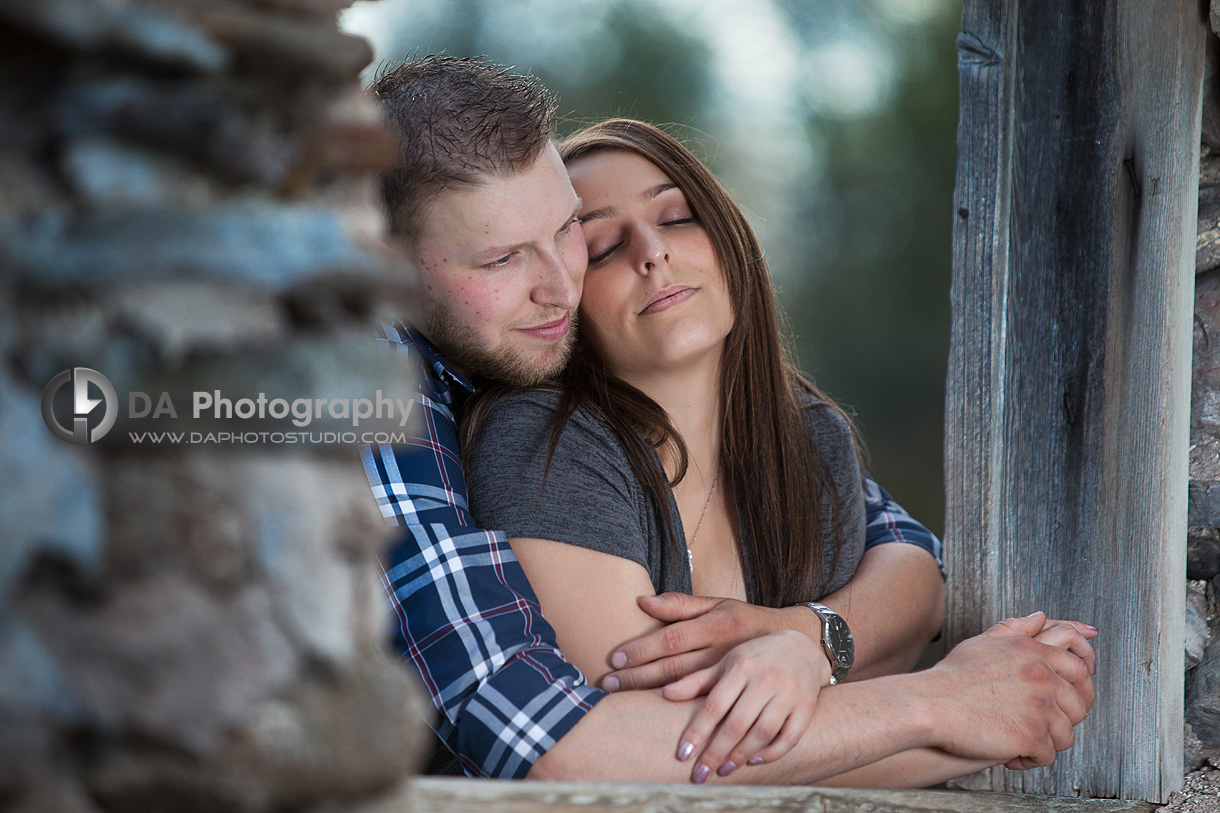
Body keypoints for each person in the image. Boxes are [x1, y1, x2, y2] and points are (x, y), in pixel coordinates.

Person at [360, 54, 1095, 783]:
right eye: (501, 260)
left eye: (567, 232)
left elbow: (912, 557)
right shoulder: (374, 387)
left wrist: (807, 639)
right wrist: (951, 705)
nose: (561, 285)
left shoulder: (800, 429)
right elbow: (573, 746)